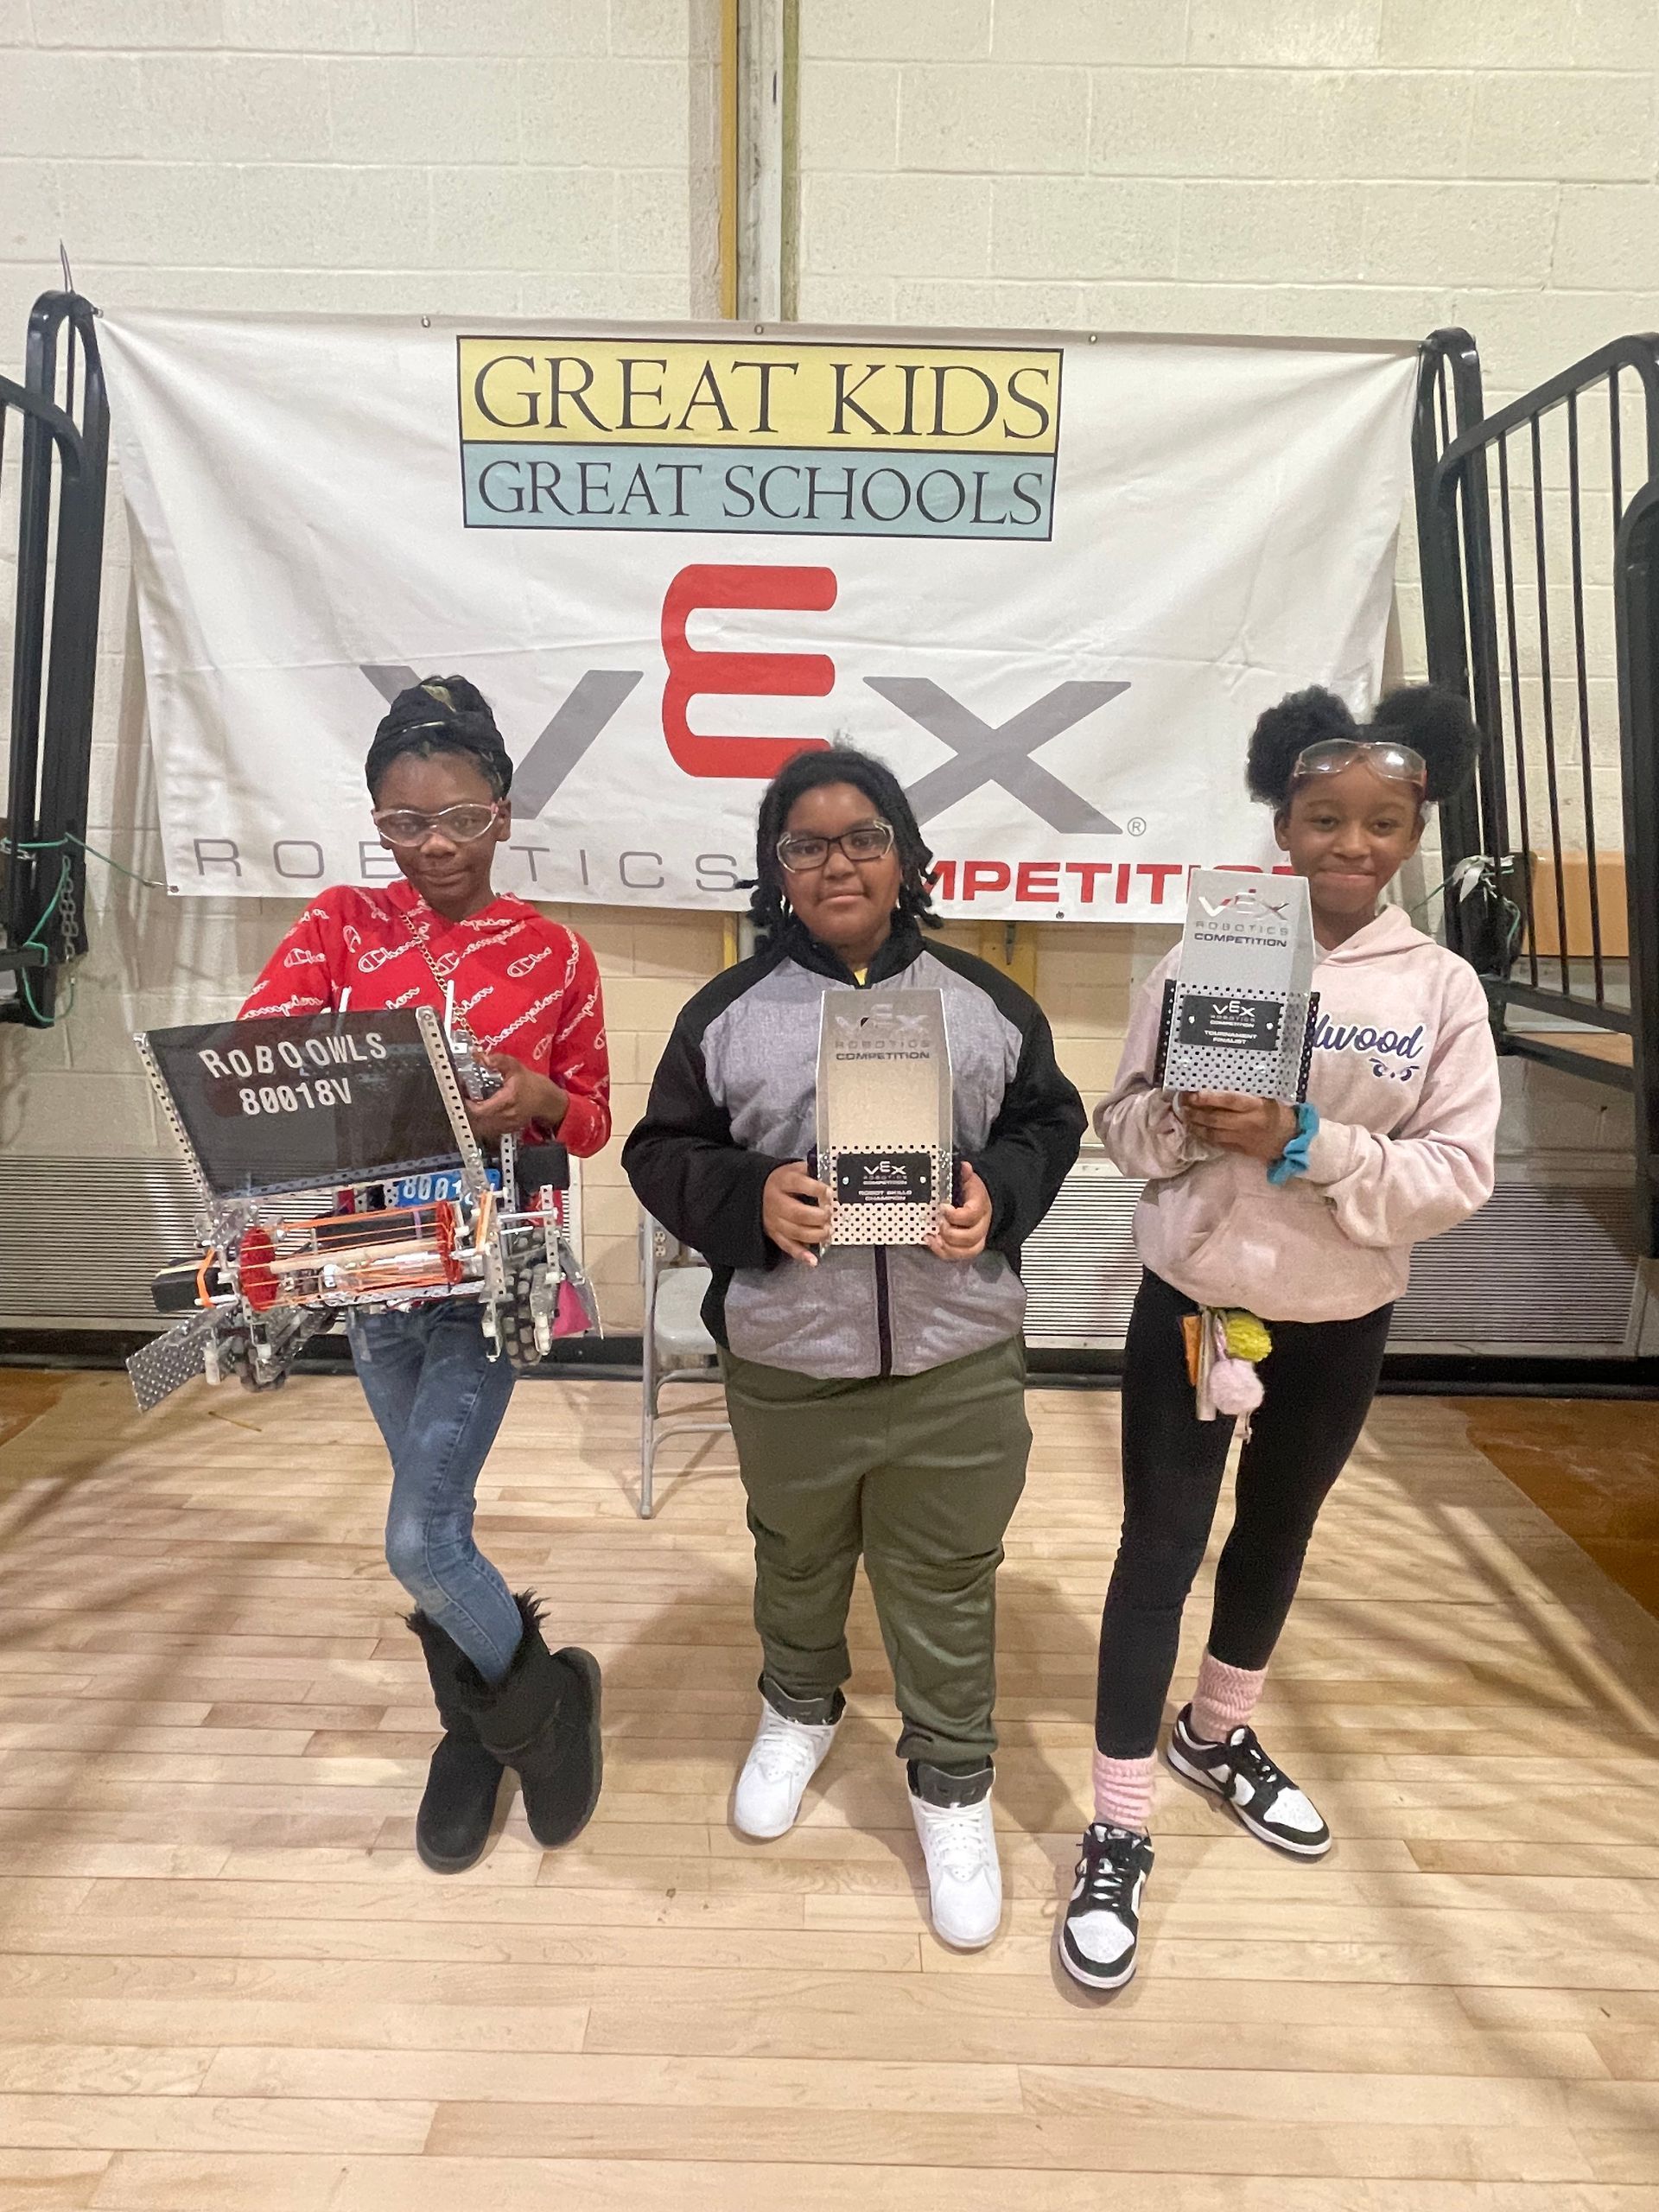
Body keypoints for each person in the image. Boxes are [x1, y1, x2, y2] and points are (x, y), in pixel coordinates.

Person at [1059, 684, 1502, 1992]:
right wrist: (1191, 1124)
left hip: (1338, 1319)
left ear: (1416, 830)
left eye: (1380, 822)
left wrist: (1309, 1145)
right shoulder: (1213, 956)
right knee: (1160, 1549)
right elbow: (1121, 1124)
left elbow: (1458, 1174)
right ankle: (1118, 1820)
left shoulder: (1441, 986)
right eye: (1324, 819)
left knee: (1277, 1535)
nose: (1350, 846)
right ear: (1284, 820)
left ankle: (1217, 1732)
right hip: (1193, 1312)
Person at [623, 747, 1084, 1949]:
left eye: (862, 837)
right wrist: (751, 1201)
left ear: (904, 855)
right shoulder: (727, 1014)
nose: (837, 861)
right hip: (792, 1359)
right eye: (807, 844)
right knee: (796, 1554)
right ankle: (799, 1707)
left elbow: (1050, 1120)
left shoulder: (985, 1002)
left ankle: (953, 1784)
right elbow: (659, 1152)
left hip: (957, 1358)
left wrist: (999, 1191)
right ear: (777, 870)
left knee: (946, 1579)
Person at [240, 677, 611, 1874]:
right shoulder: (340, 926)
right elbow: (258, 1058)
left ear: (502, 811)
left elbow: (591, 1117)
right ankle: (487, 1716)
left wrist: (542, 1095)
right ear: (379, 827)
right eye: (406, 825)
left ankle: (539, 1723)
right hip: (365, 1281)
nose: (434, 846)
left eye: (458, 817)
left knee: (419, 1539)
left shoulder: (554, 954)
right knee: (436, 1525)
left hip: (483, 1278)